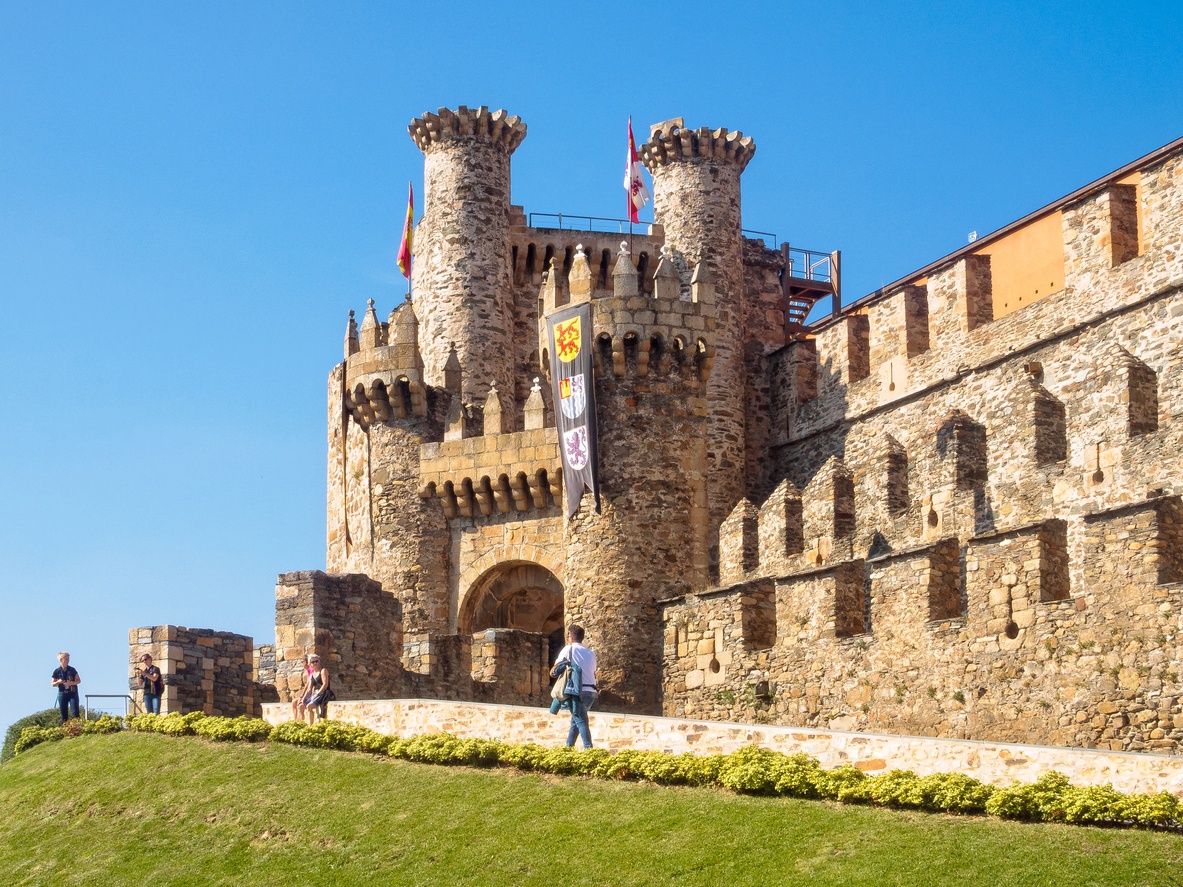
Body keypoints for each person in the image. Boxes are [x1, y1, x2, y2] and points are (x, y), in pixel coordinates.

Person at [550, 625, 598, 749]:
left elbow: (555, 668)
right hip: (591, 691)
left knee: (581, 721)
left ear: (570, 637)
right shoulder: (591, 653)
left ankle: (589, 750)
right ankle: (568, 747)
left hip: (577, 692)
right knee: (575, 721)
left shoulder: (568, 649)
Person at [51, 651, 81, 723]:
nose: (68, 661)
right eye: (66, 659)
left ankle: (77, 728)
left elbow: (79, 680)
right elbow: (52, 684)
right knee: (63, 714)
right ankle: (65, 729)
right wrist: (58, 682)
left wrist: (71, 683)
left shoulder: (72, 670)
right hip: (62, 693)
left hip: (72, 693)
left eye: (68, 659)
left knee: (75, 712)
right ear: (61, 660)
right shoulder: (57, 671)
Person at [303, 654, 331, 726]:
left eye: (316, 661)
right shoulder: (312, 675)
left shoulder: (323, 671)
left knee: (309, 706)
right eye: (313, 662)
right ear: (310, 664)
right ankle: (300, 725)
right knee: (300, 706)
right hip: (315, 693)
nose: (315, 663)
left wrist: (317, 694)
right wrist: (303, 698)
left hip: (323, 693)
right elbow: (309, 689)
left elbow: (325, 684)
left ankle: (310, 726)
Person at [290, 653, 314, 721]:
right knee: (294, 702)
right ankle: (295, 720)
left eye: (302, 662)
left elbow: (310, 685)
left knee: (299, 704)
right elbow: (307, 684)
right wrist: (302, 696)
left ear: (305, 662)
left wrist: (303, 697)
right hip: (308, 694)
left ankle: (299, 722)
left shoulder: (311, 670)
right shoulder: (309, 671)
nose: (301, 663)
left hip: (311, 694)